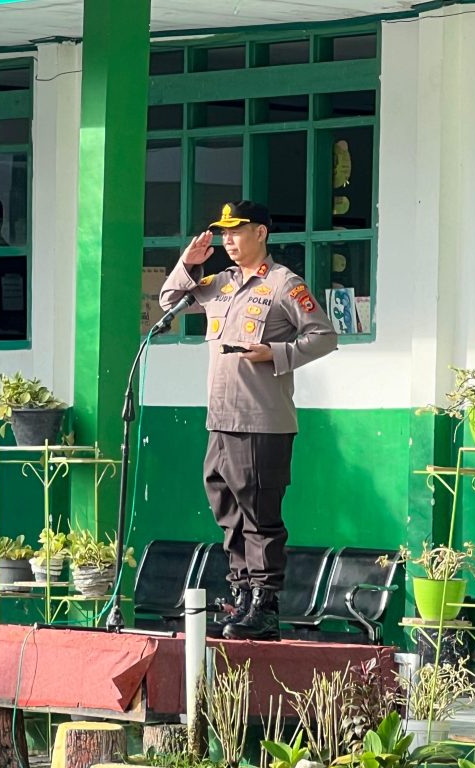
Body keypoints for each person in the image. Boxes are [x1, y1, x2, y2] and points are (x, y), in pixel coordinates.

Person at [159, 201, 338, 641]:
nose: (227, 241)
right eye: (222, 234)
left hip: (262, 422)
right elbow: (167, 302)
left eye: (236, 232)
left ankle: (265, 603)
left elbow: (324, 335)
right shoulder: (219, 284)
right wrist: (187, 262)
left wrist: (277, 354)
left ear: (261, 233)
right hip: (220, 420)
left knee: (259, 515)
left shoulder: (283, 285)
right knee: (227, 511)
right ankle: (240, 594)